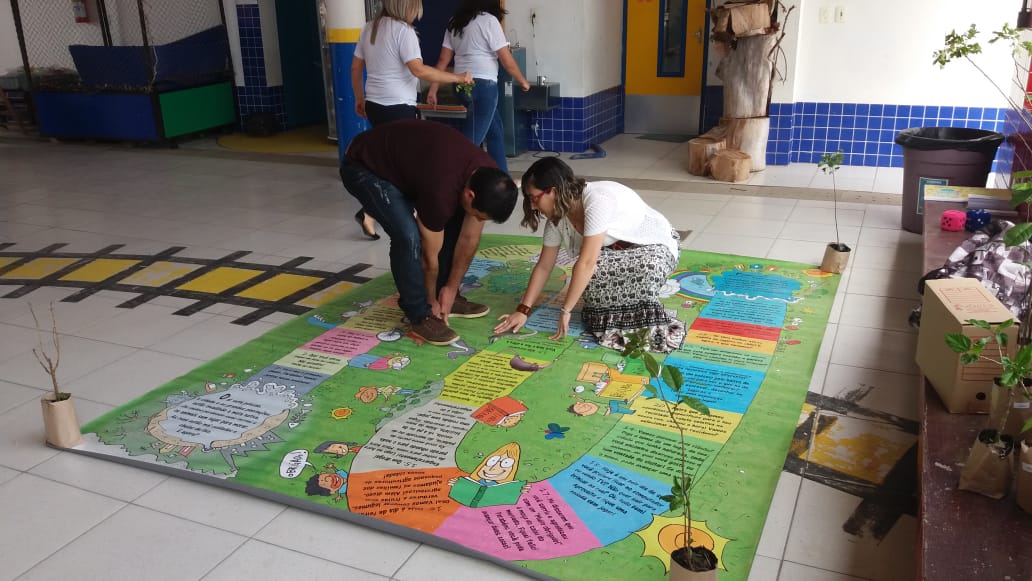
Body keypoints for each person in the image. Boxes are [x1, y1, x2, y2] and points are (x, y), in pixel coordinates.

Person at [340, 119, 518, 345]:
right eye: (481, 216)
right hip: (364, 167)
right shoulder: (441, 191)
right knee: (408, 236)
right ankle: (418, 314)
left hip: (409, 163)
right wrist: (431, 301)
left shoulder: (488, 177)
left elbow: (469, 238)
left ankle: (446, 297)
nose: (479, 221)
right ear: (471, 195)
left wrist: (451, 288)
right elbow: (428, 257)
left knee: (459, 217)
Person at [493, 157, 685, 353]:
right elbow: (544, 266)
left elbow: (586, 263)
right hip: (616, 256)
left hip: (654, 247)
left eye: (534, 198)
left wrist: (566, 310)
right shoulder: (557, 219)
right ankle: (616, 310)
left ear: (553, 190)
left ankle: (635, 312)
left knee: (633, 267)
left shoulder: (596, 200)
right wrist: (523, 310)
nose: (533, 206)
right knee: (592, 276)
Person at [349, 0, 474, 240]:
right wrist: (457, 77)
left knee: (392, 162)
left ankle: (376, 212)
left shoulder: (370, 28)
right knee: (405, 166)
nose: (418, 12)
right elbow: (419, 70)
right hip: (397, 107)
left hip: (375, 105)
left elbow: (356, 68)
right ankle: (379, 213)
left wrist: (359, 97)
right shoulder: (403, 31)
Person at [426, 0, 530, 173]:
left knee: (495, 132)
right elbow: (506, 60)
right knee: (470, 141)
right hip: (484, 87)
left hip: (461, 87)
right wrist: (522, 80)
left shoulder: (455, 21)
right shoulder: (489, 21)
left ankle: (502, 178)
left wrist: (433, 88)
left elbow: (443, 60)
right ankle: (447, 176)